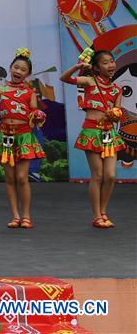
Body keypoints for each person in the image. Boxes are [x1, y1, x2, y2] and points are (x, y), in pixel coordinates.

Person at [0, 48, 46, 229]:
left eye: (22, 69)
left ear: (27, 74)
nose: (18, 71)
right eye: (16, 67)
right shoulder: (1, 90)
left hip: (23, 137)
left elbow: (34, 112)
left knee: (22, 178)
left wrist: (38, 116)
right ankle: (15, 216)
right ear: (11, 67)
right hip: (5, 136)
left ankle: (26, 215)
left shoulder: (30, 93)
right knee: (10, 178)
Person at [60, 48, 125, 228]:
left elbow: (118, 112)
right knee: (97, 175)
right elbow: (65, 79)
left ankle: (103, 211)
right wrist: (77, 66)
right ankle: (97, 215)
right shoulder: (90, 81)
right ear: (96, 67)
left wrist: (115, 114)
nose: (111, 65)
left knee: (110, 176)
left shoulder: (116, 89)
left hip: (109, 133)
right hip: (91, 132)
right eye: (105, 63)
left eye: (111, 61)